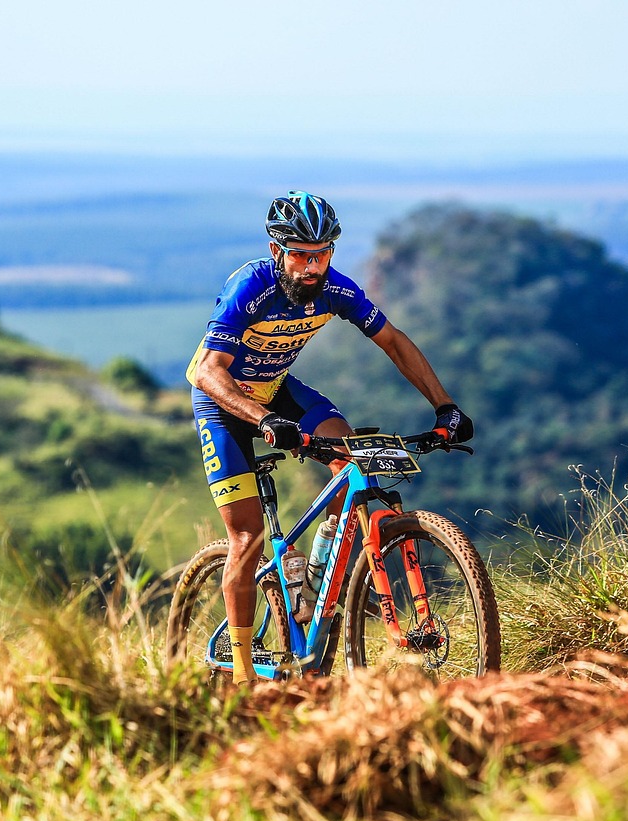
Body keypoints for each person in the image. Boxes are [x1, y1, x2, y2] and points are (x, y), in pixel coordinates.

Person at [186, 191, 473, 685]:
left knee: (352, 460)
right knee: (248, 538)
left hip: (276, 389)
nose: (312, 266)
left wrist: (444, 405)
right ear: (277, 250)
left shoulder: (337, 289)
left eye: (321, 254)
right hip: (224, 402)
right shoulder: (250, 287)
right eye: (300, 254)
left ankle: (315, 582)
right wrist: (262, 419)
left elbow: (393, 341)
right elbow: (209, 371)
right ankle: (242, 674)